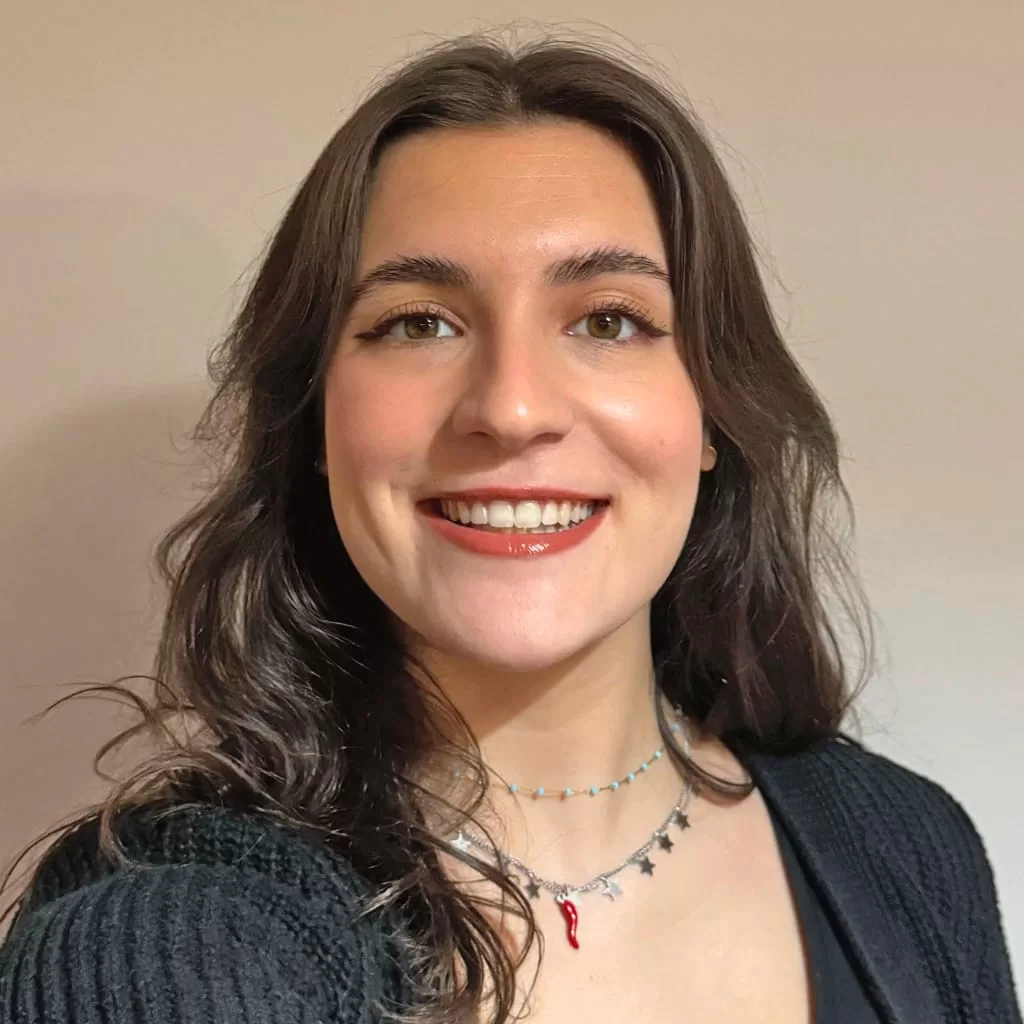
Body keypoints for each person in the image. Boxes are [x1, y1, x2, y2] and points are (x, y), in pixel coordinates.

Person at [0, 28, 1018, 1024]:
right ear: (315, 422)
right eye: (419, 322)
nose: (513, 406)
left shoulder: (911, 847)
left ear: (713, 412)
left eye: (609, 319)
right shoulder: (163, 945)